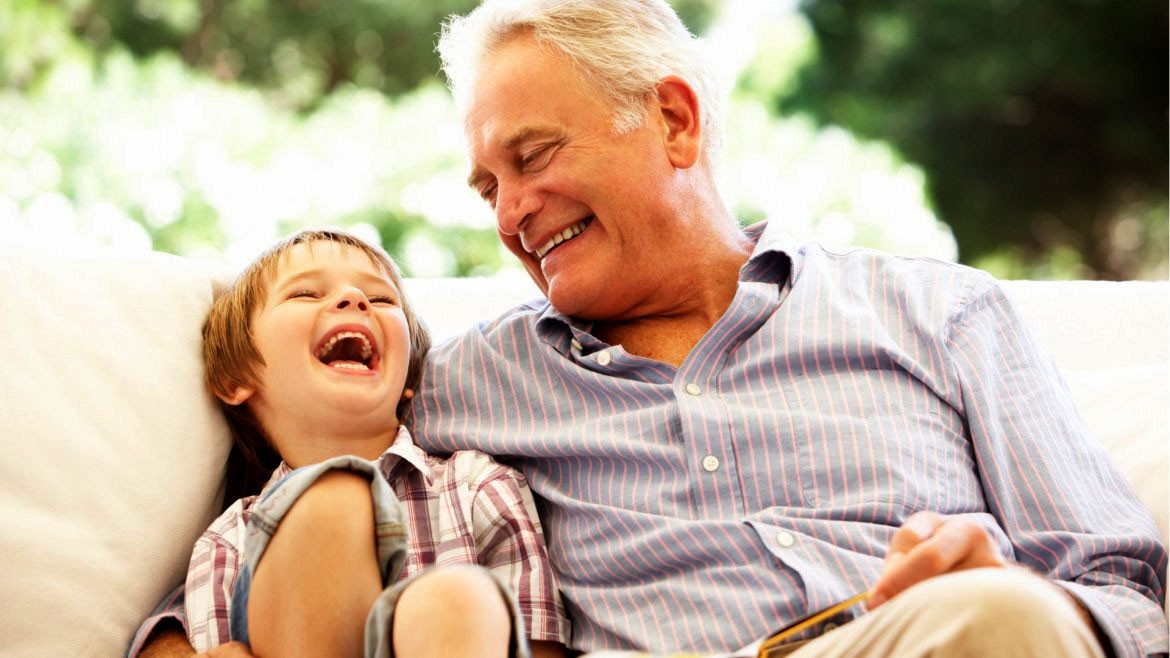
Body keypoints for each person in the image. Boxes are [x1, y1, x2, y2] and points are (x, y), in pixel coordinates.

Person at [136, 2, 1168, 657]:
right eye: (488, 186)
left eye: (533, 158)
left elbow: (1131, 590)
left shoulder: (940, 312)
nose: (507, 215)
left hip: (916, 642)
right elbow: (290, 507)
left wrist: (1024, 600)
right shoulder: (462, 382)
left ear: (674, 119)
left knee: (1001, 621)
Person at [131, 230, 569, 658]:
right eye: (304, 293)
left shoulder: (478, 484)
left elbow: (538, 646)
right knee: (333, 500)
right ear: (235, 378)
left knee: (453, 599)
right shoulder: (230, 540)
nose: (354, 300)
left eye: (379, 299)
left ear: (410, 379)